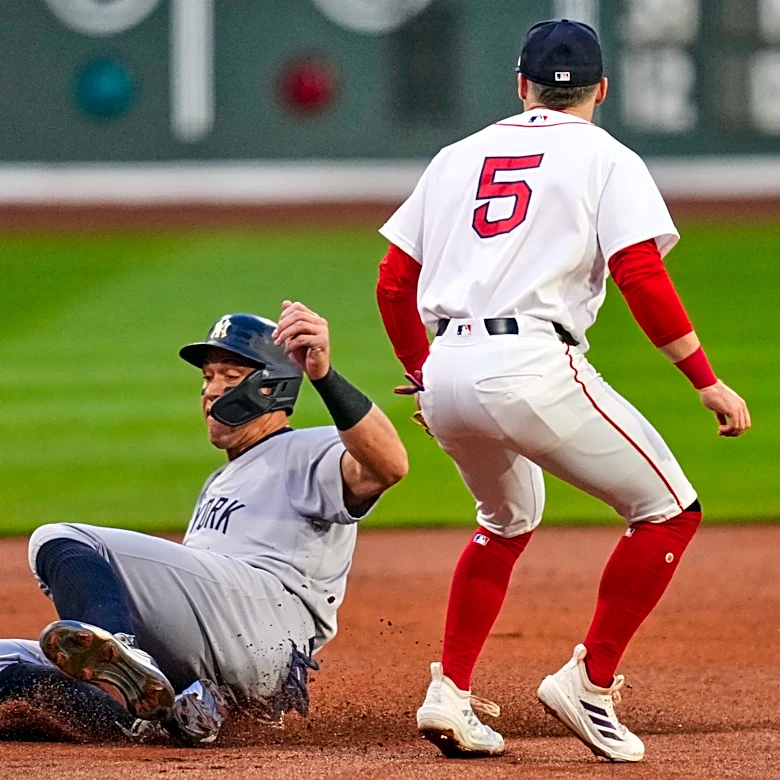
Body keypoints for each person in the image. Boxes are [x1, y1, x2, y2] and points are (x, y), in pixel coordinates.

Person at [376, 19, 750, 763]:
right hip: (530, 364)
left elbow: (393, 284)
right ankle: (592, 684)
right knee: (669, 511)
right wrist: (704, 380)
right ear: (601, 90)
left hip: (447, 367)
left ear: (521, 86)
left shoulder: (456, 156)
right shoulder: (606, 156)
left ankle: (450, 692)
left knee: (508, 516)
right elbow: (641, 272)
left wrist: (423, 374)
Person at [0, 302, 408, 744]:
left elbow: (389, 465)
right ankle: (154, 720)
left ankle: (126, 658)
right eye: (207, 378)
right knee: (9, 664)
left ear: (272, 389)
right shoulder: (221, 479)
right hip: (222, 635)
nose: (212, 391)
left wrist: (323, 375)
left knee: (60, 540)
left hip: (264, 626)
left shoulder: (310, 451)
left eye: (230, 377)